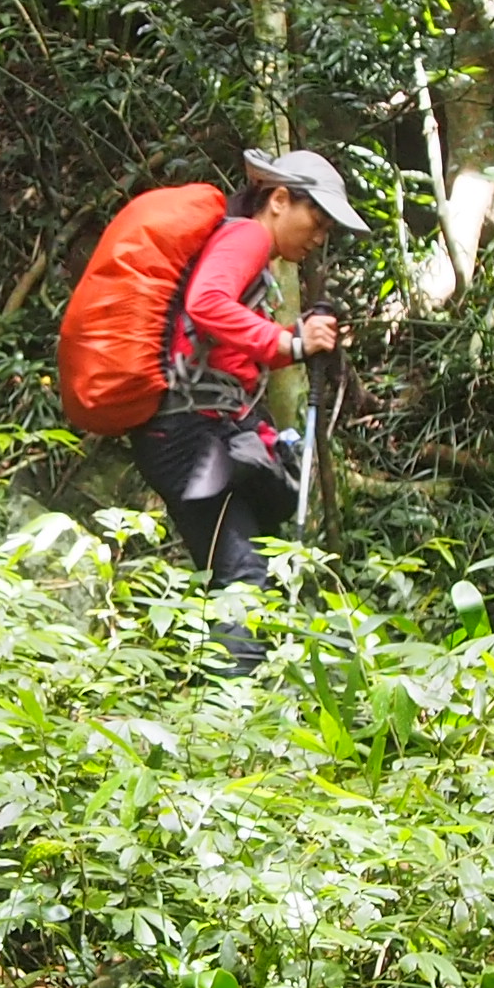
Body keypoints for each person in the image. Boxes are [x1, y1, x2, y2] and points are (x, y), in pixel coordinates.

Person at [135, 150, 360, 670]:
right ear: (279, 199)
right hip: (187, 433)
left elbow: (228, 357)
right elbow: (207, 304)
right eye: (317, 222)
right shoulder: (248, 236)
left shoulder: (249, 254)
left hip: (196, 431)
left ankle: (243, 708)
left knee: (256, 568)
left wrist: (291, 340)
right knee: (244, 576)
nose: (319, 238)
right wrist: (291, 344)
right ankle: (227, 725)